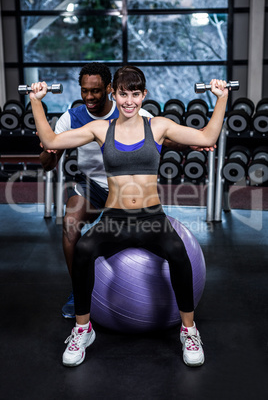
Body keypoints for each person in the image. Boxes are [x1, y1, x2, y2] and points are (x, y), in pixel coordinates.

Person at [30, 65, 228, 368]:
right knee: (83, 249)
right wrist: (36, 100)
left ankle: (188, 329)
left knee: (178, 252)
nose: (129, 101)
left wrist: (221, 97)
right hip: (115, 217)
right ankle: (83, 328)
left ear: (144, 95)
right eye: (123, 93)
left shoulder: (157, 125)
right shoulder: (101, 130)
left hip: (151, 216)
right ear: (115, 93)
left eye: (135, 94)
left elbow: (207, 135)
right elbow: (52, 142)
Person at [39, 63, 153, 318]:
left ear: (110, 89)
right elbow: (47, 164)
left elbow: (163, 137)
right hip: (92, 185)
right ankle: (78, 290)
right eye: (85, 91)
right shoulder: (72, 117)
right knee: (70, 222)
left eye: (96, 91)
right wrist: (49, 150)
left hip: (125, 186)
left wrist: (193, 144)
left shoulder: (129, 110)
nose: (89, 97)